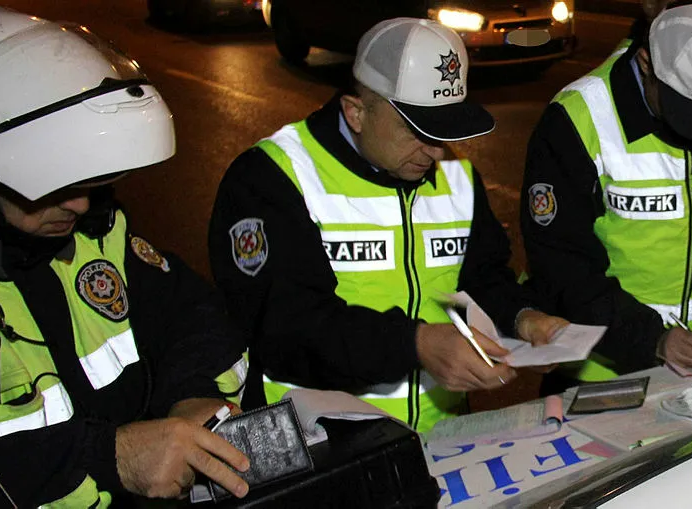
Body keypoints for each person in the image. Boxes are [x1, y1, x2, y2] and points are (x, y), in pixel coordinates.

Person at [209, 17, 567, 432]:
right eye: (418, 131)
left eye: (444, 131)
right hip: (320, 442)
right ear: (356, 112)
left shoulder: (458, 177)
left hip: (438, 438)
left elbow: (481, 279)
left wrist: (522, 317)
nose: (436, 153)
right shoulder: (273, 178)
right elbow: (288, 326)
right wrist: (415, 344)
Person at [0, 7, 251, 507]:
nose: (79, 205)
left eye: (88, 182)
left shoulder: (96, 233)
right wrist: (110, 456)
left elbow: (190, 312)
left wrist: (191, 393)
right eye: (56, 185)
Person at [520, 4, 692, 393]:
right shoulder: (579, 118)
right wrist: (650, 338)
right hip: (600, 375)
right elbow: (560, 260)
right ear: (646, 64)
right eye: (689, 111)